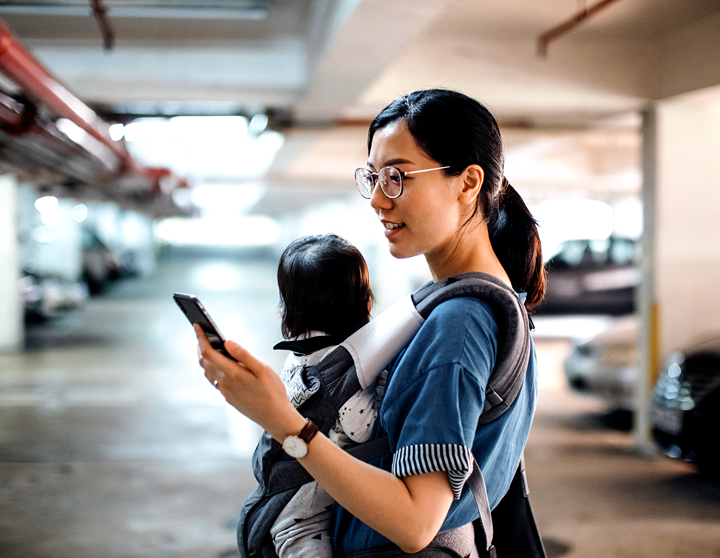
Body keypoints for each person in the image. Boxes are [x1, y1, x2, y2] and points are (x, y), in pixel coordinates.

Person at [195, 88, 545, 557]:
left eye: (398, 177)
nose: (379, 200)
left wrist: (281, 420)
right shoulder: (495, 303)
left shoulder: (460, 323)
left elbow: (417, 522)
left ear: (468, 182)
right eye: (374, 177)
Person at [270, 233, 381, 558]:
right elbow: (364, 427)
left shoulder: (300, 354)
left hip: (285, 501)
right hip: (305, 523)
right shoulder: (340, 375)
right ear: (363, 303)